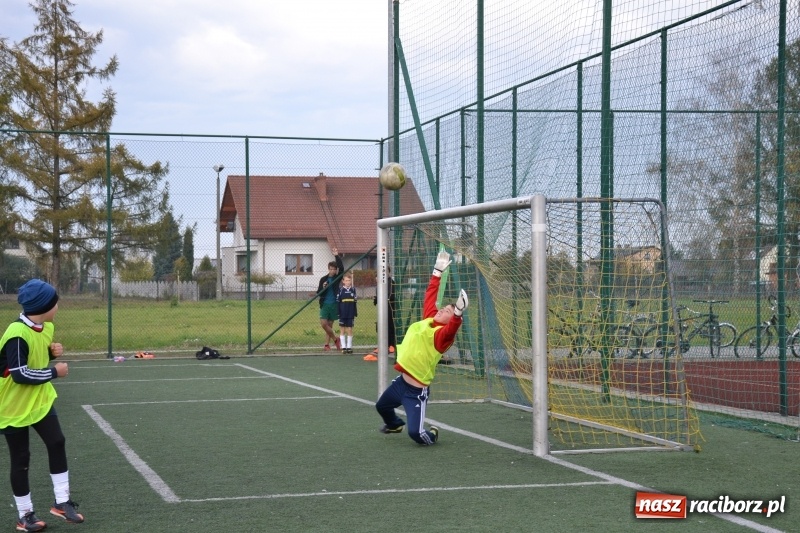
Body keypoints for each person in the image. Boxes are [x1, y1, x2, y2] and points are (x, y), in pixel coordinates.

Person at [0, 279, 84, 532]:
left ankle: (62, 502)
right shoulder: (16, 334)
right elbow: (19, 374)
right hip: (12, 406)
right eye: (54, 301)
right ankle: (25, 515)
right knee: (21, 458)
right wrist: (54, 372)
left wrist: (50, 354)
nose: (58, 305)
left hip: (39, 400)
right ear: (43, 306)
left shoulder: (44, 327)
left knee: (57, 441)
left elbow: (33, 357)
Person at [374, 251, 468, 445]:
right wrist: (437, 272)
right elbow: (430, 295)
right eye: (445, 308)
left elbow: (451, 330)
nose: (442, 310)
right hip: (400, 383)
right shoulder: (429, 319)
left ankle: (432, 435)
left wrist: (457, 314)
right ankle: (394, 424)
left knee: (416, 435)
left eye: (447, 312)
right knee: (382, 406)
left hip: (415, 392)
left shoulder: (441, 336)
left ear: (450, 320)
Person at [364, 265, 396, 362]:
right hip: (382, 308)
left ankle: (391, 345)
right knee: (380, 325)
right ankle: (382, 345)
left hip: (390, 308)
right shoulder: (381, 283)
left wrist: (385, 299)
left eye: (385, 271)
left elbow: (391, 295)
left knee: (389, 325)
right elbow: (379, 295)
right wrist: (376, 299)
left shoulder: (391, 282)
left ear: (388, 272)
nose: (383, 274)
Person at [317, 247, 345, 351]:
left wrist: (336, 255)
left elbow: (342, 269)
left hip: (334, 304)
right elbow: (318, 292)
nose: (333, 271)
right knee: (324, 324)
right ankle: (336, 339)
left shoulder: (336, 278)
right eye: (331, 269)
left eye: (334, 269)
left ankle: (326, 345)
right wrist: (323, 287)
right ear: (328, 269)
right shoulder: (323, 279)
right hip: (325, 304)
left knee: (330, 325)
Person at [336, 272, 358, 354]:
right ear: (343, 281)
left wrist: (355, 312)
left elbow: (355, 302)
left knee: (349, 329)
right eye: (346, 280)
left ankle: (349, 347)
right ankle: (343, 347)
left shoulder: (353, 290)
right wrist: (338, 312)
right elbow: (338, 302)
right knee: (342, 329)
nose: (348, 282)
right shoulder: (341, 290)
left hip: (350, 313)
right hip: (342, 313)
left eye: (349, 280)